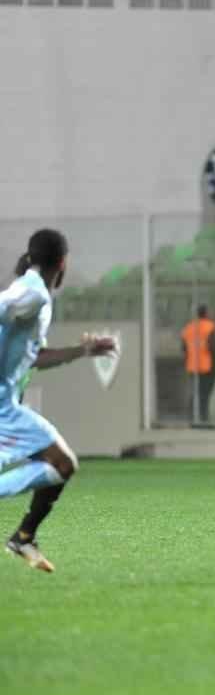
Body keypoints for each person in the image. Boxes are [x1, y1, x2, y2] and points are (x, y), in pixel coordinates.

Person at [1, 229, 118, 573]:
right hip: (3, 406)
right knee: (62, 463)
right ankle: (22, 538)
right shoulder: (33, 294)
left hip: (9, 404)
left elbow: (34, 356)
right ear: (63, 263)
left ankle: (23, 537)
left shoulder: (33, 293)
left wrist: (83, 351)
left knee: (60, 463)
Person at [181, 305, 215, 427]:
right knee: (205, 394)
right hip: (208, 366)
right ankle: (203, 420)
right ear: (206, 313)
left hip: (192, 366)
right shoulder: (210, 327)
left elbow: (184, 348)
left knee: (196, 393)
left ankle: (193, 419)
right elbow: (214, 347)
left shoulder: (188, 327)